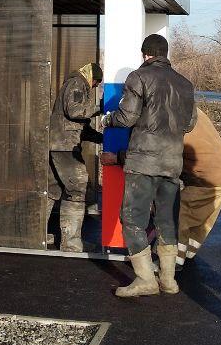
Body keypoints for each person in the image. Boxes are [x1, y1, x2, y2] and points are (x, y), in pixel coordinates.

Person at [92, 33, 196, 298]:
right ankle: (169, 281)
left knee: (132, 218)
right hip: (172, 162)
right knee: (167, 220)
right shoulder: (185, 84)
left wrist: (105, 121)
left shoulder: (138, 77)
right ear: (165, 54)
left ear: (145, 54)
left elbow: (127, 117)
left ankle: (145, 279)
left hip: (143, 163)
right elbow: (189, 123)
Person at [49, 62, 104, 252]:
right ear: (92, 77)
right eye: (96, 83)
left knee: (53, 190)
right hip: (65, 146)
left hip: (58, 144)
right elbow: (74, 112)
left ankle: (37, 236)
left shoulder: (74, 84)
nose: (95, 86)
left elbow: (79, 126)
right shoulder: (77, 83)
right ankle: (71, 244)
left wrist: (102, 138)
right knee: (78, 187)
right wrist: (99, 107)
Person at [175, 106, 221, 269]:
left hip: (207, 176)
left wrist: (120, 157)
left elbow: (155, 154)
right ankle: (189, 252)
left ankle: (174, 260)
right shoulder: (192, 108)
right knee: (203, 218)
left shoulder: (170, 118)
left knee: (178, 213)